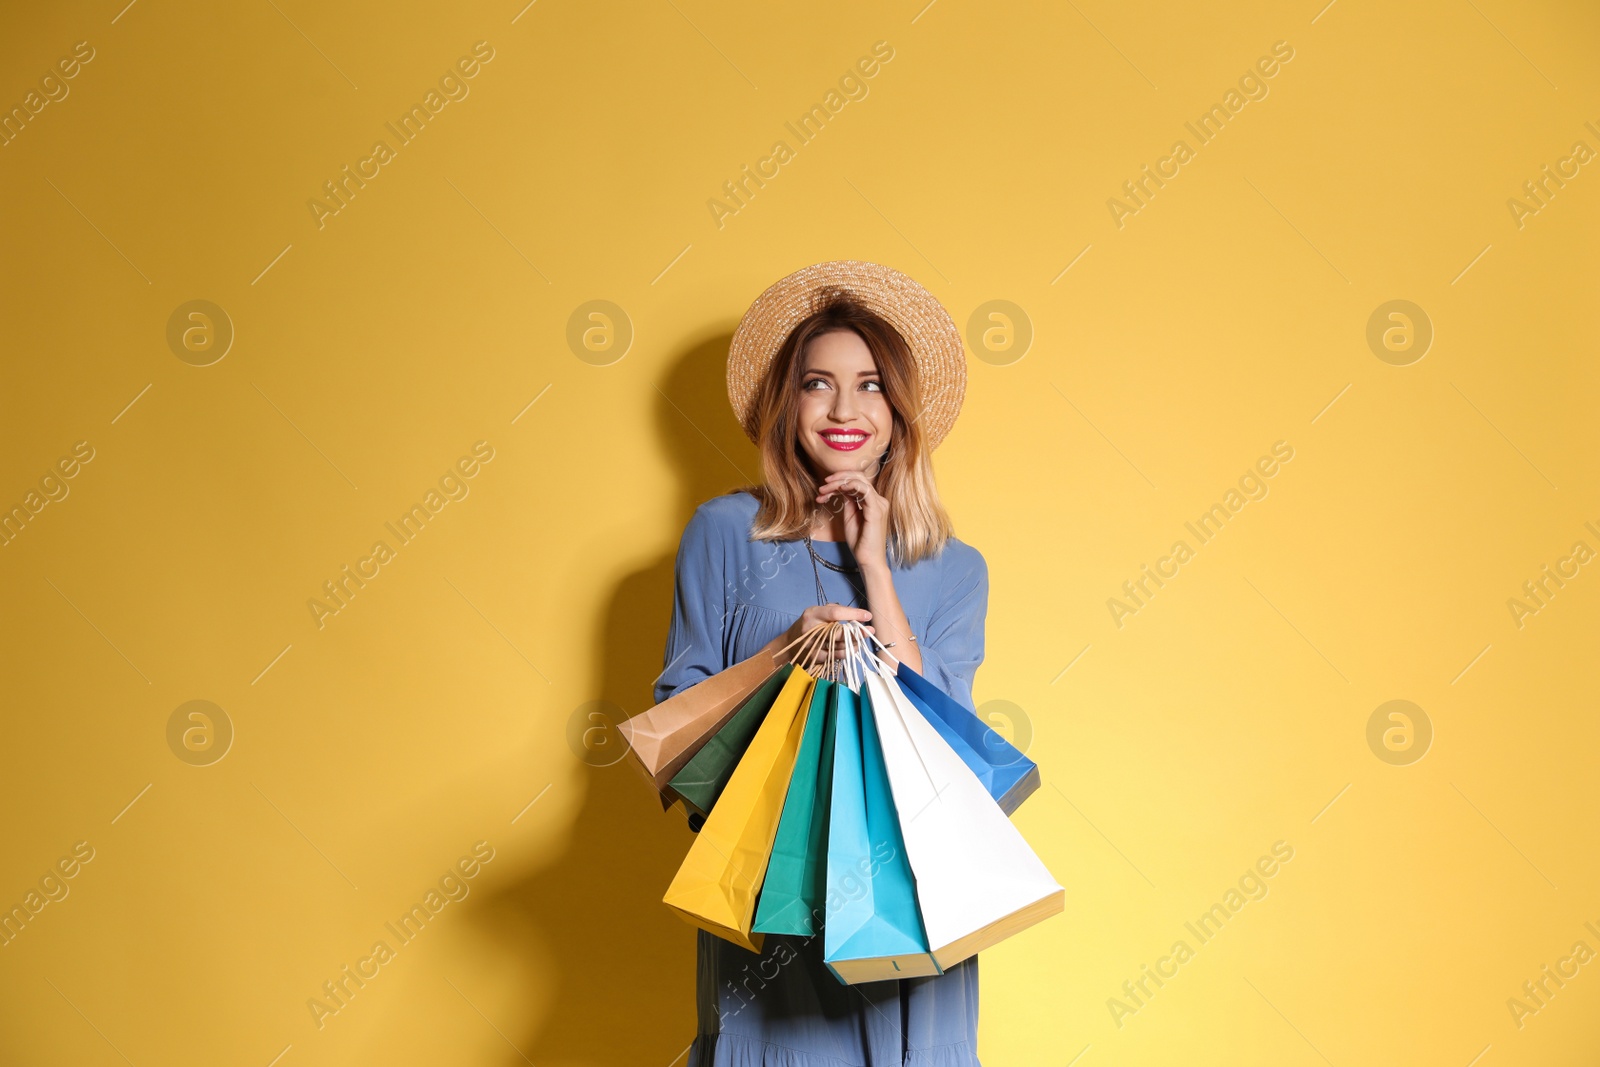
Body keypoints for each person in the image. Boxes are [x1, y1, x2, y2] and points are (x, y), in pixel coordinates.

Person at [653, 260, 990, 1066]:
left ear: (900, 411)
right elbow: (674, 742)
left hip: (916, 892)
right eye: (817, 383)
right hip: (776, 890)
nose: (845, 410)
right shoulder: (724, 534)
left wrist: (875, 566)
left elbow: (947, 749)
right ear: (786, 404)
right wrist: (786, 652)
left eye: (872, 385)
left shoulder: (955, 566)